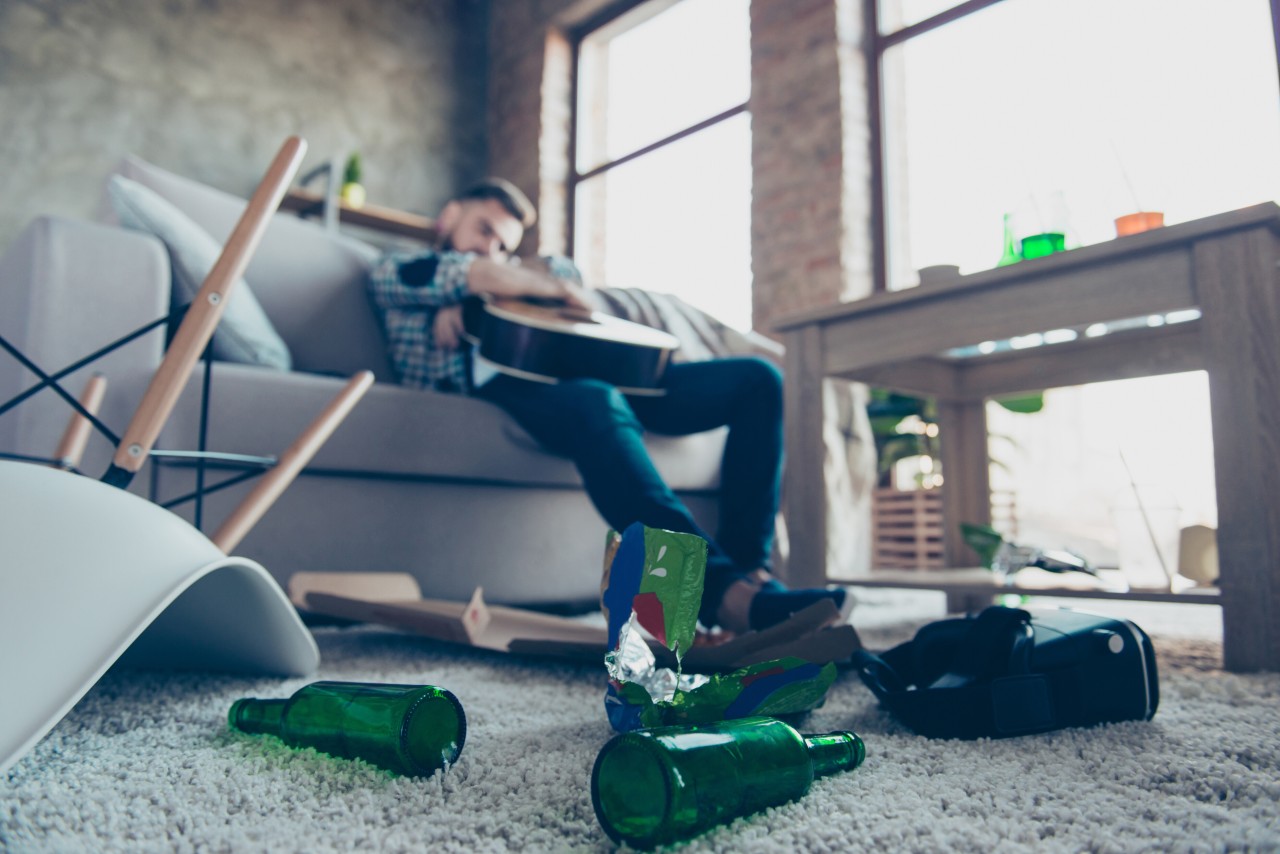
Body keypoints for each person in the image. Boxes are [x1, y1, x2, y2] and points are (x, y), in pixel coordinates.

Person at [367, 178, 847, 633]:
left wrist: (482, 291)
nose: (491, 249)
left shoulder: (510, 278)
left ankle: (751, 576)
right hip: (513, 393)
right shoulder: (396, 269)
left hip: (600, 371)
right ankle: (718, 592)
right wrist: (477, 284)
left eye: (504, 245)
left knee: (759, 379)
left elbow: (565, 276)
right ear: (449, 216)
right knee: (597, 401)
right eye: (483, 230)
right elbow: (472, 272)